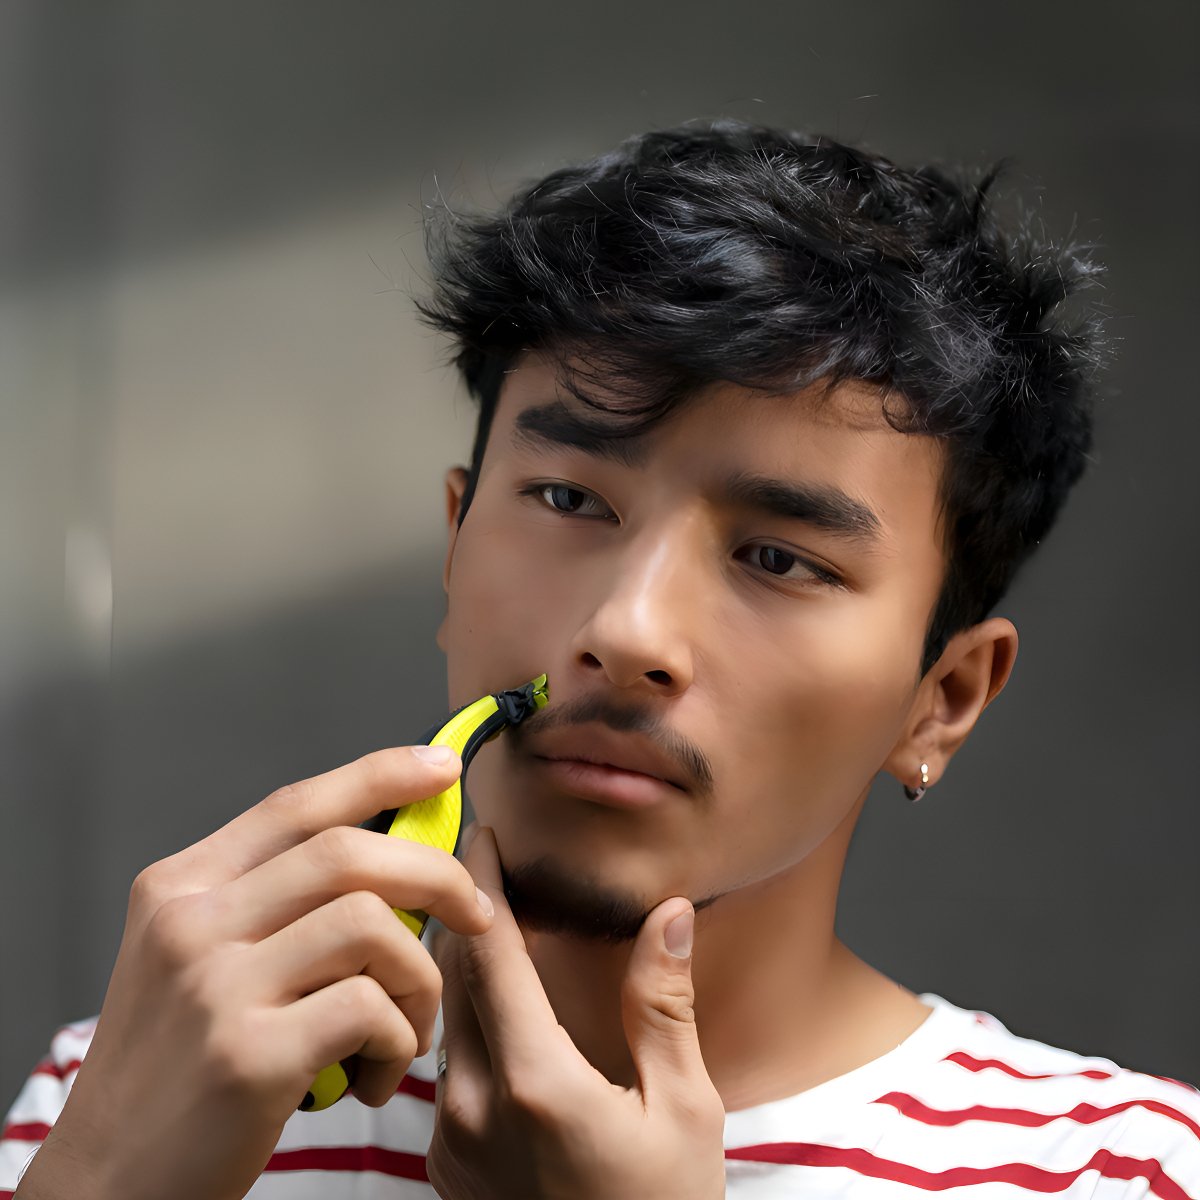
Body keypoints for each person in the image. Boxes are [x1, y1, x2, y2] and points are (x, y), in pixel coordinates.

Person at [3, 121, 1197, 1200]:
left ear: (942, 701)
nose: (627, 631)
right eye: (569, 498)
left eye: (780, 559)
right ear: (454, 545)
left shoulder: (1130, 1174)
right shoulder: (136, 1098)